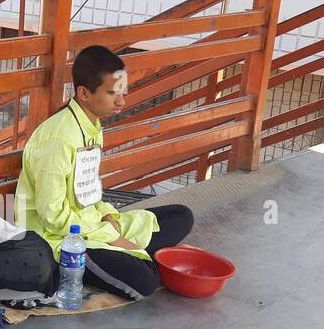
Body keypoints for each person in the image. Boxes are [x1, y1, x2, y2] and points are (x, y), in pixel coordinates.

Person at [16, 45, 194, 301]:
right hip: (58, 240)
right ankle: (134, 257)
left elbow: (88, 191)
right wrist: (111, 236)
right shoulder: (58, 139)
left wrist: (109, 217)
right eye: (112, 93)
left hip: (93, 224)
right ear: (84, 93)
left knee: (180, 216)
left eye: (122, 92)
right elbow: (52, 216)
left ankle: (129, 254)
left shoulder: (92, 126)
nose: (121, 101)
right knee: (146, 279)